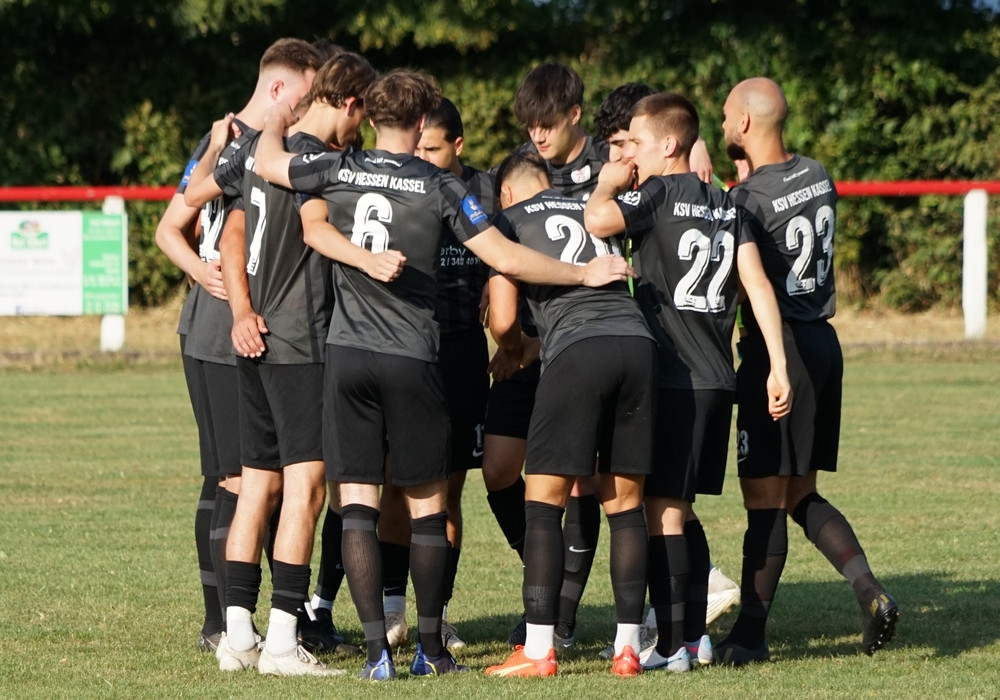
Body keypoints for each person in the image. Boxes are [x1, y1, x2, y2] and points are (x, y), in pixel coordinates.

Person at [253, 68, 632, 681]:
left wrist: (274, 118)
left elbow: (270, 163)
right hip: (412, 358)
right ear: (422, 121)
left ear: (369, 115)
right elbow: (504, 257)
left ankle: (377, 654)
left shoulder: (336, 166)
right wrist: (584, 273)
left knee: (358, 506)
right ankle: (430, 648)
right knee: (429, 506)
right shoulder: (439, 184)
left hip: (347, 357)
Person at [584, 92, 792, 672]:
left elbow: (597, 220)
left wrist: (605, 183)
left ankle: (675, 644)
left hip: (675, 378)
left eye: (638, 143)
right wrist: (777, 364)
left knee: (664, 514)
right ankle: (694, 638)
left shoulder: (657, 192)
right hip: (719, 379)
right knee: (679, 507)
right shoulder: (728, 203)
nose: (632, 155)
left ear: (669, 145)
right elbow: (757, 285)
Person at [185, 52, 376, 676]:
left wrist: (241, 310)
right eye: (362, 117)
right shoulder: (320, 164)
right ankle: (283, 641)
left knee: (256, 483)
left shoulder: (254, 152)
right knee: (306, 488)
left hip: (255, 337)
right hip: (301, 342)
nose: (360, 131)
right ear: (350, 103)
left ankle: (238, 635)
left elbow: (230, 232)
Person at [714, 77, 898, 665]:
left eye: (726, 115)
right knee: (800, 492)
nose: (722, 124)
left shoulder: (745, 201)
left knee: (764, 497)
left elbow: (750, 272)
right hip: (822, 342)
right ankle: (869, 591)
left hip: (779, 349)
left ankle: (749, 636)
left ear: (745, 123)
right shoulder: (819, 174)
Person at [153, 37, 321, 654]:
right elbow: (172, 226)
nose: (309, 107)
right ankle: (225, 623)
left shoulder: (261, 144)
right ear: (278, 89)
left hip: (239, 327)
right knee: (234, 478)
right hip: (220, 330)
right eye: (305, 95)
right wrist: (205, 274)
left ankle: (251, 619)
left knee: (246, 476)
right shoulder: (233, 142)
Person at [484, 150, 656, 678]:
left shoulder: (508, 221)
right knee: (625, 505)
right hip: (638, 344)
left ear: (507, 193)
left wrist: (515, 350)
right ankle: (628, 648)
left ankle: (539, 649)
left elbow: (504, 320)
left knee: (543, 502)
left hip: (578, 351)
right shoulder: (589, 207)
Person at [377, 97, 496, 651]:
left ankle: (437, 613)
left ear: (457, 146)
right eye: (417, 147)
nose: (420, 156)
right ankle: (392, 609)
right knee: (395, 484)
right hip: (408, 348)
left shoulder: (485, 191)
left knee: (449, 491)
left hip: (463, 351)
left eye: (431, 148)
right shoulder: (403, 185)